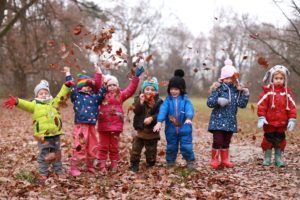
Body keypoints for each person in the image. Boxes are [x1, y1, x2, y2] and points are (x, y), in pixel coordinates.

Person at [4, 79, 71, 180]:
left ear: (49, 94)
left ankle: (58, 170)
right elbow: (25, 104)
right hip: (42, 136)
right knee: (44, 153)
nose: (43, 95)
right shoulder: (35, 105)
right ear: (36, 96)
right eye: (41, 93)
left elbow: (61, 95)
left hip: (55, 134)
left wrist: (66, 86)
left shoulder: (54, 102)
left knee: (57, 153)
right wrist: (17, 101)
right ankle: (43, 172)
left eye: (46, 93)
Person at [96, 61, 145, 173]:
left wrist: (135, 77)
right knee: (103, 146)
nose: (112, 87)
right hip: (103, 125)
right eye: (109, 85)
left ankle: (114, 164)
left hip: (116, 126)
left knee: (114, 147)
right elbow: (98, 85)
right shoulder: (102, 95)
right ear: (105, 86)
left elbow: (131, 89)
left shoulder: (121, 95)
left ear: (117, 86)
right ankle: (102, 164)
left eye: (114, 85)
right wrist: (98, 73)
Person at [64, 66, 107, 176]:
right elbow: (71, 86)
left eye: (89, 87)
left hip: (91, 126)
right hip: (81, 126)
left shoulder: (94, 97)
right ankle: (75, 166)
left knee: (93, 146)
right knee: (80, 146)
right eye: (85, 86)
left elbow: (101, 93)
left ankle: (90, 165)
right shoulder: (77, 96)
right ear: (80, 87)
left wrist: (102, 80)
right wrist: (68, 73)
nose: (87, 88)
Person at [207, 59, 249, 169]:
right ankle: (214, 159)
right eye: (226, 78)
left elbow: (242, 104)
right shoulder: (218, 88)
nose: (229, 80)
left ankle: (225, 159)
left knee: (226, 141)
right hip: (218, 120)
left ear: (235, 79)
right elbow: (209, 103)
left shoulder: (237, 90)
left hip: (230, 121)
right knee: (218, 140)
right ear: (222, 78)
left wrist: (245, 94)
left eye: (231, 78)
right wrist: (218, 101)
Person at [153, 69, 196, 169]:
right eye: (171, 89)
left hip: (185, 127)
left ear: (181, 89)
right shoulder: (168, 101)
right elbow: (163, 110)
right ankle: (170, 161)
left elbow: (190, 109)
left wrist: (189, 117)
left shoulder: (185, 100)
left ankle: (190, 161)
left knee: (186, 146)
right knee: (171, 146)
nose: (173, 91)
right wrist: (159, 121)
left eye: (176, 89)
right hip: (171, 129)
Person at [257, 65, 297, 167]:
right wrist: (261, 117)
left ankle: (278, 158)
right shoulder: (268, 92)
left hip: (282, 123)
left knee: (280, 140)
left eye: (281, 78)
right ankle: (267, 157)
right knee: (268, 139)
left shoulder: (287, 93)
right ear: (272, 79)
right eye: (276, 78)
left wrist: (292, 119)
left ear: (284, 80)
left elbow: (292, 106)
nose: (279, 80)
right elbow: (262, 105)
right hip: (269, 123)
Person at [129, 77, 163, 172]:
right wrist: (140, 102)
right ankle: (134, 164)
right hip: (139, 130)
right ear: (143, 90)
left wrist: (152, 118)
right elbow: (136, 111)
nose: (149, 92)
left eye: (152, 90)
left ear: (156, 91)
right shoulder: (138, 99)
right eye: (147, 89)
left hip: (152, 131)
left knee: (151, 150)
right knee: (135, 148)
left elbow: (161, 114)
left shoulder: (159, 102)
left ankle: (150, 163)